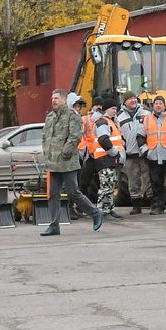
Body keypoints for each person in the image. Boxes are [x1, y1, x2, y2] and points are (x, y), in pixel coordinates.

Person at [39, 90, 104, 235]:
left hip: (67, 162)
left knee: (73, 192)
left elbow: (75, 137)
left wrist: (63, 153)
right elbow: (45, 137)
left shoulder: (72, 115)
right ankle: (54, 225)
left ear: (63, 99)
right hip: (53, 162)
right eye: (52, 98)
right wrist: (47, 154)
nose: (53, 101)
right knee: (53, 194)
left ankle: (95, 213)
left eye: (56, 98)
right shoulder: (50, 117)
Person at [118, 94, 151, 214]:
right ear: (124, 102)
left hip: (145, 153)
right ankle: (136, 205)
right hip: (130, 154)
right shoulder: (119, 117)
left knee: (149, 178)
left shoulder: (146, 114)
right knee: (133, 180)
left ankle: (153, 203)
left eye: (134, 98)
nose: (133, 100)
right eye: (130, 99)